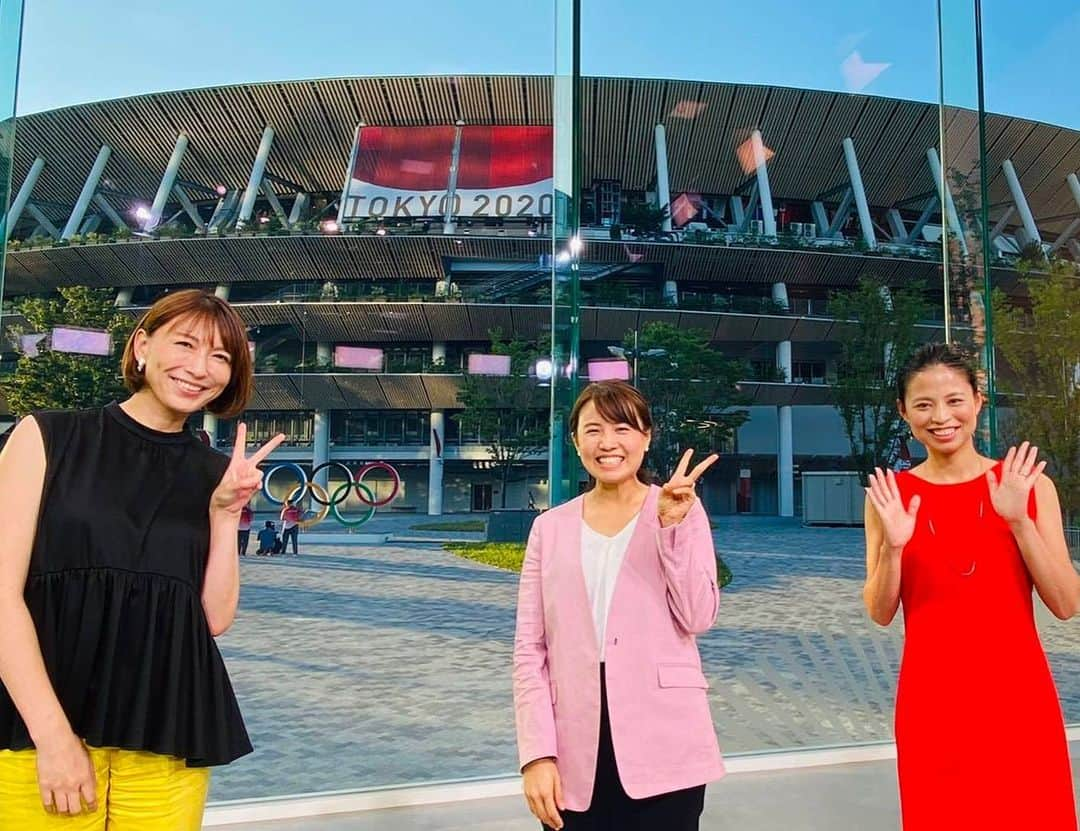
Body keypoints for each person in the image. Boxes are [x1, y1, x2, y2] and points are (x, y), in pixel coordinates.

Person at [0, 289, 284, 829]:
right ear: (142, 346)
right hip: (39, 726)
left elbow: (212, 621)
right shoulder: (47, 436)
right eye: (185, 344)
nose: (201, 368)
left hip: (164, 726)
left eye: (221, 357)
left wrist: (226, 515)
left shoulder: (212, 474)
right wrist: (54, 736)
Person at [863, 342, 1078, 830]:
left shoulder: (1026, 484)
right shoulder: (889, 498)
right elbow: (879, 610)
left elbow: (1066, 603)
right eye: (923, 404)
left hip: (1019, 701)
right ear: (904, 412)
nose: (942, 417)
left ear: (978, 401)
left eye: (955, 400)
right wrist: (894, 548)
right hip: (932, 704)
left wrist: (1019, 521)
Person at [513, 380, 724, 831]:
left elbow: (698, 615)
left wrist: (671, 528)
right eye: (593, 430)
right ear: (575, 441)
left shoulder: (680, 509)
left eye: (623, 428)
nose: (608, 443)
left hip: (666, 739)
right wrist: (536, 754)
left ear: (646, 437)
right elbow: (530, 652)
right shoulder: (549, 529)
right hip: (574, 744)